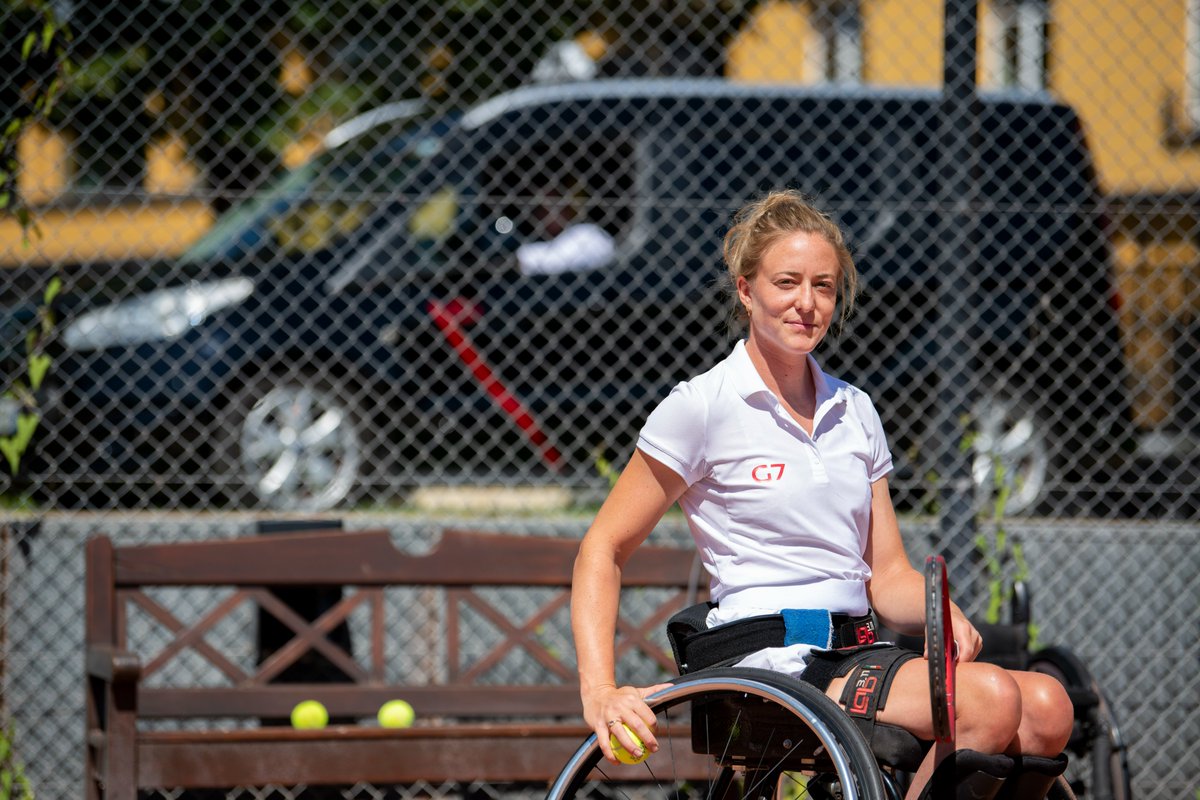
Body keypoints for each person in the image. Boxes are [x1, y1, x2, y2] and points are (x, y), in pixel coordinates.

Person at [570, 190, 1074, 800]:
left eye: (824, 286)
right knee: (990, 701)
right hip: (767, 663)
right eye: (787, 282)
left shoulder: (854, 409)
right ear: (745, 290)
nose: (806, 303)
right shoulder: (702, 406)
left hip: (856, 650)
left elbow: (886, 577)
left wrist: (945, 615)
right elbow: (603, 546)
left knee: (1048, 707)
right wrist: (599, 690)